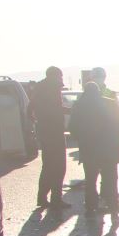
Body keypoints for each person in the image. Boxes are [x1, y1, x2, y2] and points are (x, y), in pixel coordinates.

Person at [69, 82, 119, 224]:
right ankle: (114, 212)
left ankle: (90, 210)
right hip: (110, 150)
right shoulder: (111, 103)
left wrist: (82, 139)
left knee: (90, 181)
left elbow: (72, 129)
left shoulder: (79, 106)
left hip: (89, 150)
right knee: (111, 181)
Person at [28, 66, 70, 209]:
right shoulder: (52, 88)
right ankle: (56, 199)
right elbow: (55, 109)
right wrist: (73, 110)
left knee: (48, 166)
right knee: (59, 167)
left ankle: (42, 198)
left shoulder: (39, 88)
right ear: (54, 76)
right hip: (54, 132)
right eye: (60, 76)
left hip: (45, 132)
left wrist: (34, 120)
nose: (61, 79)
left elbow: (30, 107)